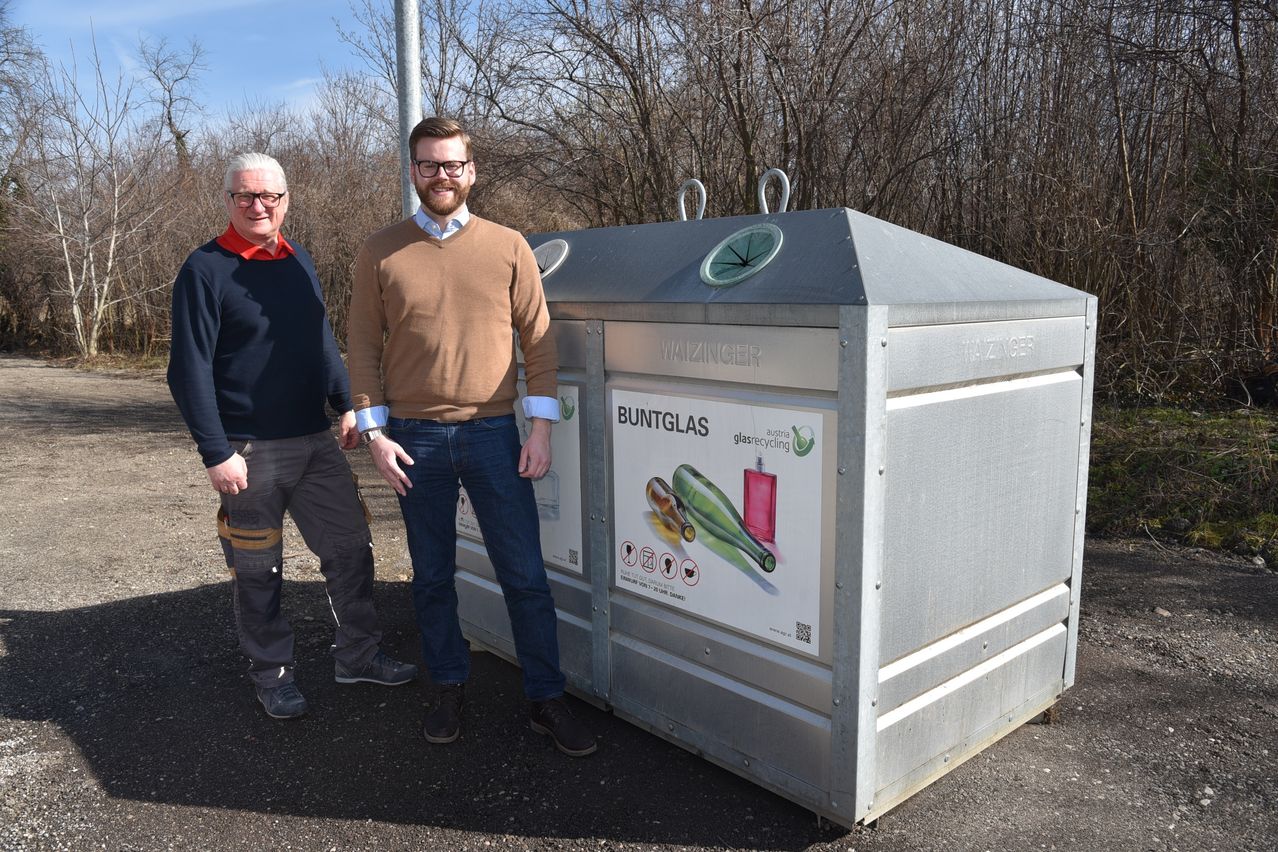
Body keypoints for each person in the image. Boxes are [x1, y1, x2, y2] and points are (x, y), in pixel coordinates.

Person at [347, 117, 596, 757]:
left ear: (471, 171)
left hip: (494, 435)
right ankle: (448, 686)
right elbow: (362, 348)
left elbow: (539, 341)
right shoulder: (381, 251)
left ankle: (545, 698)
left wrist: (540, 429)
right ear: (412, 171)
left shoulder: (509, 246)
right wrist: (374, 434)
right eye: (429, 165)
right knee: (431, 578)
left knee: (525, 575)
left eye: (453, 164)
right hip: (412, 439)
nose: (441, 176)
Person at [167, 152, 417, 720]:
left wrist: (347, 405)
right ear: (228, 201)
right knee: (259, 571)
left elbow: (320, 343)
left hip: (316, 443)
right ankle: (272, 674)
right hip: (247, 451)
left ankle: (358, 654)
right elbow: (188, 371)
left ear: (286, 200)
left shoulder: (296, 257)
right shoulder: (204, 270)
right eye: (246, 197)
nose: (259, 206)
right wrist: (216, 451)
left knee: (352, 550)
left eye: (270, 196)